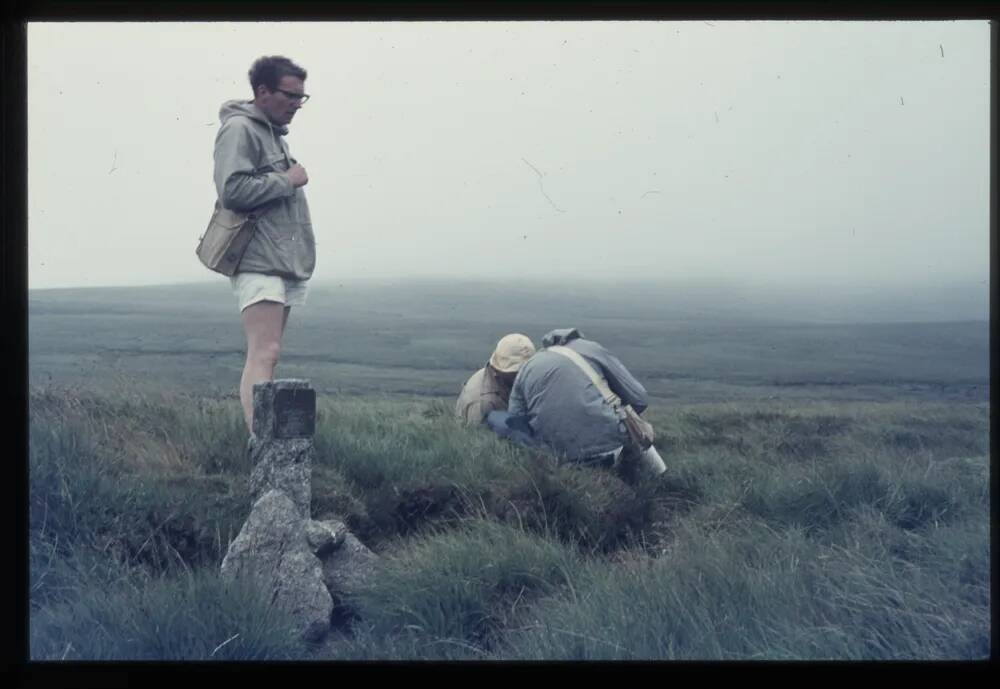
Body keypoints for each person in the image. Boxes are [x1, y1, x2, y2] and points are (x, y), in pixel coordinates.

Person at [213, 55, 315, 437]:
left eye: (302, 98)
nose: (296, 105)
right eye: (291, 96)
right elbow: (232, 190)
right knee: (265, 352)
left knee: (267, 353)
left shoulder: (271, 133)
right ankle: (263, 444)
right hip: (257, 257)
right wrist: (288, 180)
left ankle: (265, 439)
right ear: (262, 91)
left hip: (280, 259)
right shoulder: (240, 129)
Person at [487, 328, 665, 481]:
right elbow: (639, 399)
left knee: (499, 418)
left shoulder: (526, 369)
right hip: (611, 451)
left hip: (560, 459)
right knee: (632, 423)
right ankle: (661, 478)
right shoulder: (592, 349)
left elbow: (517, 421)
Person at [455, 333, 536, 425]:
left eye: (528, 370)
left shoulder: (500, 378)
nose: (523, 375)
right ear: (500, 370)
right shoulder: (482, 403)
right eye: (517, 372)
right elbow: (477, 437)